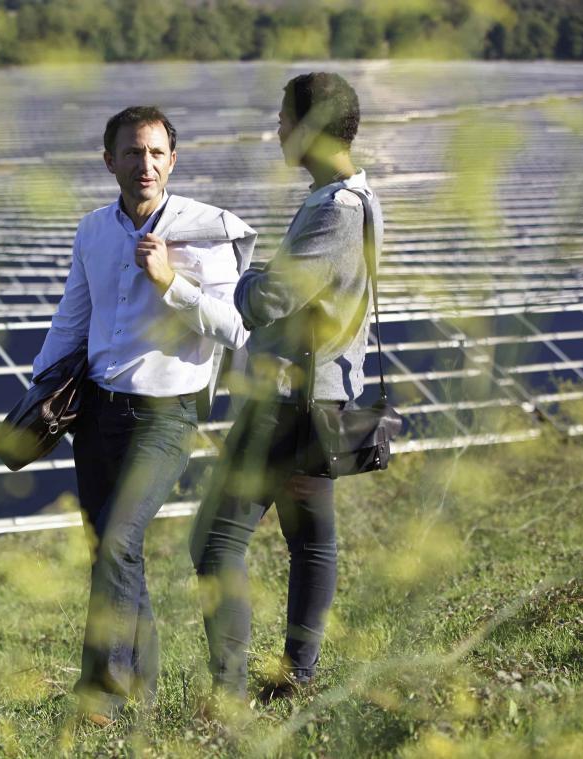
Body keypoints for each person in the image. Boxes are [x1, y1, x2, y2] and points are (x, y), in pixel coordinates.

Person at [32, 105, 256, 724]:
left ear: (173, 161)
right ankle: (143, 694)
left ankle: (101, 693)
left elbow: (235, 328)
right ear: (110, 162)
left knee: (119, 543)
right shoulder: (92, 231)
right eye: (132, 153)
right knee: (113, 549)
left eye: (157, 153)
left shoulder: (206, 231)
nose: (145, 164)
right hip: (96, 414)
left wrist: (170, 283)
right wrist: (36, 390)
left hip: (165, 415)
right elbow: (72, 317)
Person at [191, 72, 383, 706]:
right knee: (310, 542)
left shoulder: (335, 210)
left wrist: (232, 278)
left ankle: (234, 690)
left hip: (288, 402)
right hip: (321, 396)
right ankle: (296, 677)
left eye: (283, 119)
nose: (277, 131)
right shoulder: (358, 198)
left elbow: (271, 297)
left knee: (216, 539)